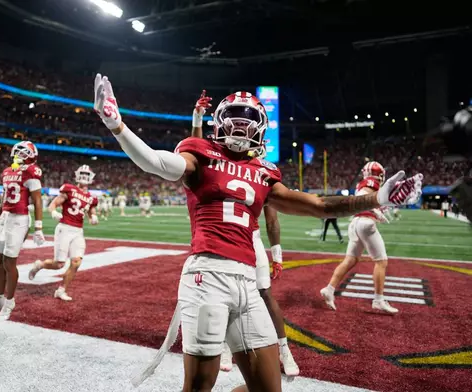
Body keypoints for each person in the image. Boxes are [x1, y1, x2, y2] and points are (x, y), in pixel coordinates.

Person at [94, 74, 422, 392]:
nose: (240, 123)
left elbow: (319, 206)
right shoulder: (201, 154)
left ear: (261, 126)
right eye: (233, 115)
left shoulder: (263, 172)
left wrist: (378, 198)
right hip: (207, 277)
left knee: (267, 388)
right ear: (218, 122)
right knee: (197, 386)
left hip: (248, 282)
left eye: (248, 116)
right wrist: (117, 125)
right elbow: (155, 162)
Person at [191, 92, 299, 377]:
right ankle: (225, 346)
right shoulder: (217, 161)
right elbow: (196, 156)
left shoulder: (263, 170)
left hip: (250, 239)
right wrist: (197, 120)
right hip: (221, 244)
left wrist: (276, 254)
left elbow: (272, 219)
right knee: (221, 297)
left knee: (263, 292)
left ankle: (284, 348)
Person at [321, 161, 399, 314]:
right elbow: (363, 196)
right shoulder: (371, 182)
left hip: (355, 223)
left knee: (350, 260)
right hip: (365, 223)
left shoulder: (362, 183)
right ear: (377, 174)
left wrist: (378, 210)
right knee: (381, 261)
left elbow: (364, 198)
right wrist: (376, 212)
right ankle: (378, 299)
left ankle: (329, 289)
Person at [0, 141, 45, 321]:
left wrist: (38, 227)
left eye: (22, 152)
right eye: (17, 152)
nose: (18, 155)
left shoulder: (32, 171)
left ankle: (9, 302)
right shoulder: (8, 172)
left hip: (20, 219)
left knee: (9, 262)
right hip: (5, 217)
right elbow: (4, 200)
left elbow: (37, 201)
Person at [28, 165, 99, 301]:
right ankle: (40, 265)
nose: (84, 176)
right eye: (82, 173)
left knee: (76, 262)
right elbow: (53, 204)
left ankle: (61, 290)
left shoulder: (92, 198)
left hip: (78, 231)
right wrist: (54, 212)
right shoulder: (69, 189)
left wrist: (93, 218)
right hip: (65, 228)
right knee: (59, 264)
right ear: (77, 175)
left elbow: (91, 212)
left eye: (87, 174)